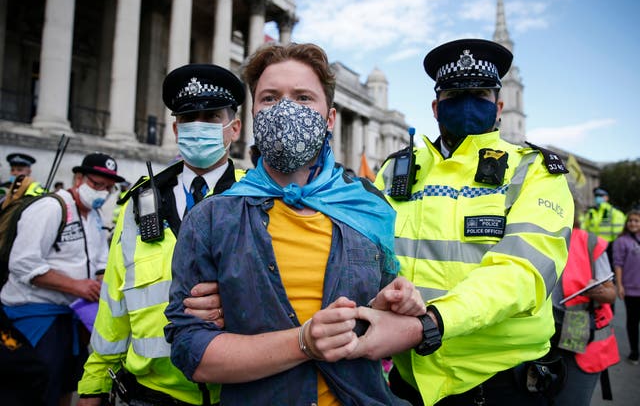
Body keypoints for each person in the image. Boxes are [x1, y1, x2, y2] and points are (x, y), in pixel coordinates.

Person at [164, 43, 419, 405]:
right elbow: (192, 352)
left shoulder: (368, 208)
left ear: (329, 119)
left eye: (303, 97)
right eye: (270, 98)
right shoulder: (210, 218)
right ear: (253, 115)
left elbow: (384, 319)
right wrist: (304, 342)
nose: (285, 109)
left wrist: (394, 303)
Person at [348, 39, 574, 405]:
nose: (468, 103)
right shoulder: (395, 171)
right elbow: (360, 252)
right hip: (410, 382)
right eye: (455, 93)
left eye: (480, 94)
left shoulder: (534, 171)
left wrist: (428, 324)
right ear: (436, 107)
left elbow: (521, 274)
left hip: (500, 386)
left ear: (498, 107)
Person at [77, 64, 247, 406]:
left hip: (238, 391)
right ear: (175, 128)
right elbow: (114, 302)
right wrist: (92, 384)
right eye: (188, 118)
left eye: (212, 117)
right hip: (149, 395)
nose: (198, 126)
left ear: (235, 128)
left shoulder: (259, 199)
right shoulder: (138, 205)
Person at [1, 152, 124, 406]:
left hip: (72, 315)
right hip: (35, 316)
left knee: (68, 383)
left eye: (109, 188)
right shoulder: (50, 208)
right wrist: (77, 286)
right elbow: (23, 262)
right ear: (78, 179)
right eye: (96, 184)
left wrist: (101, 281)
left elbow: (100, 260)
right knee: (38, 387)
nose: (102, 192)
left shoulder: (94, 217)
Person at [550, 208, 619, 405]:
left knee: (570, 398)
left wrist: (598, 291)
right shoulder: (530, 236)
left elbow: (610, 293)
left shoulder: (588, 241)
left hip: (575, 325)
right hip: (535, 334)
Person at [613, 209, 640, 365]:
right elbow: (618, 264)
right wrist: (620, 285)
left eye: (636, 220)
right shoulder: (621, 241)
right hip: (631, 289)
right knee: (633, 321)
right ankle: (634, 351)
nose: (633, 223)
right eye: (630, 221)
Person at [583, 187, 625, 256]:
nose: (597, 198)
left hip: (609, 247)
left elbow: (618, 233)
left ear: (607, 198)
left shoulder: (614, 212)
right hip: (593, 245)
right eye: (596, 196)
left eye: (600, 196)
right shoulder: (590, 213)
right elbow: (584, 229)